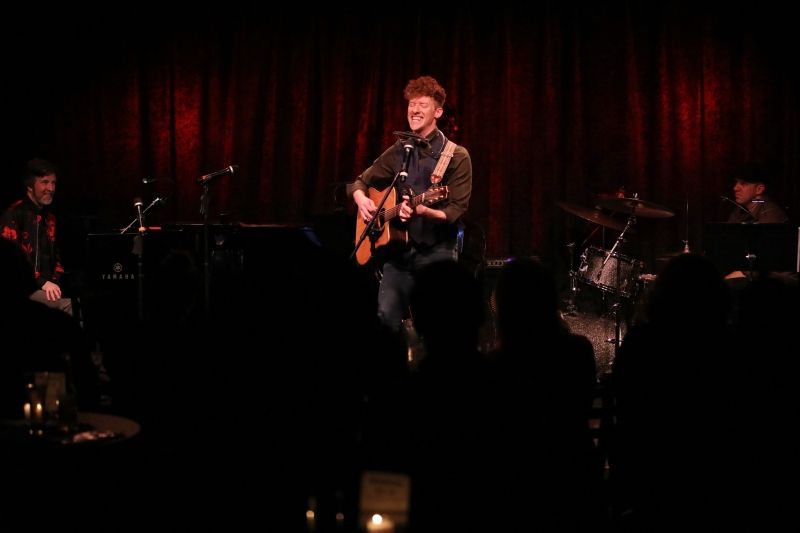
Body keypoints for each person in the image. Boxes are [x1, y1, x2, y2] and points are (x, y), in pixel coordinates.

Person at [348, 75, 472, 331]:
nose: (414, 110)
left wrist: (424, 210)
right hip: (398, 254)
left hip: (437, 252)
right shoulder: (401, 149)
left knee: (439, 326)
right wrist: (361, 198)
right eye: (411, 104)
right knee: (385, 321)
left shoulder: (456, 155)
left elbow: (455, 210)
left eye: (422, 105)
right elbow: (359, 182)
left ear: (438, 112)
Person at [1, 157, 72, 315]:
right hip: (24, 290)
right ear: (30, 186)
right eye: (45, 182)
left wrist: (55, 283)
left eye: (53, 183)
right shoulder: (14, 214)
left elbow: (56, 260)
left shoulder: (49, 218)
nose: (51, 188)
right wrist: (42, 283)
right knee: (70, 307)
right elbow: (10, 264)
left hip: (47, 288)